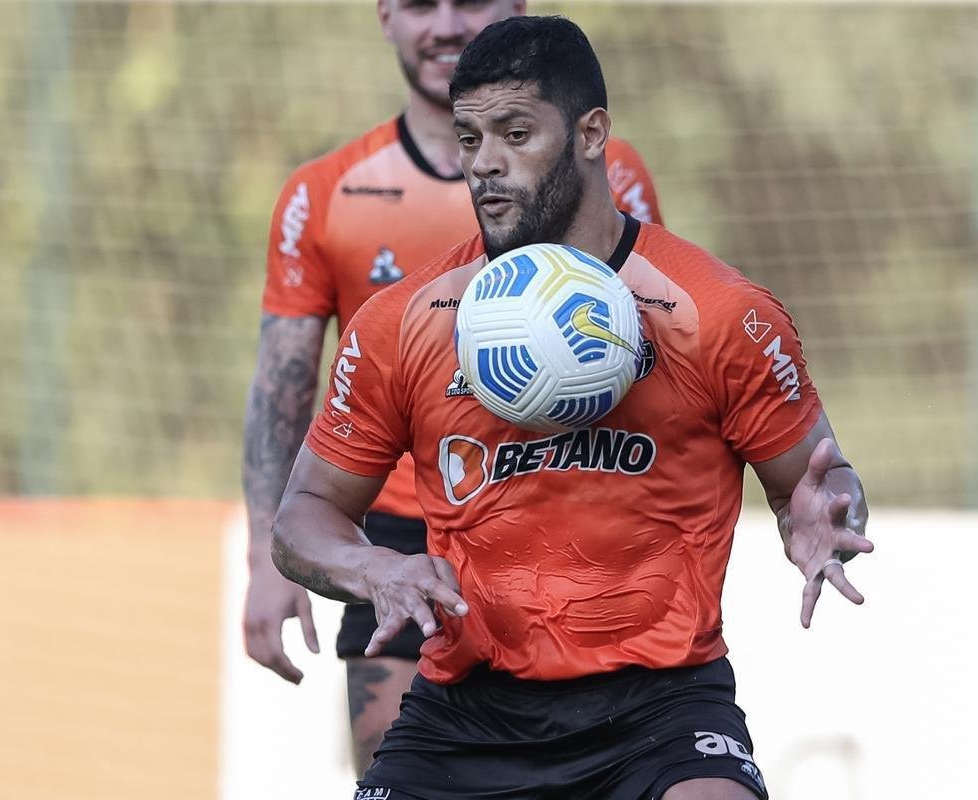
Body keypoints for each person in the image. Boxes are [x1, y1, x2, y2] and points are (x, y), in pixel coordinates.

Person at [273, 15, 872, 800]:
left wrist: (825, 509)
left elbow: (815, 482)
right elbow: (303, 515)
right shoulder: (404, 322)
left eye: (516, 134)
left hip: (660, 708)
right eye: (469, 138)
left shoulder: (720, 314)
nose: (485, 165)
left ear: (592, 133)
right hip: (465, 713)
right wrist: (373, 565)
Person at [241, 0, 663, 775]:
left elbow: (645, 344)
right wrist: (264, 559)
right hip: (399, 534)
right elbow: (283, 390)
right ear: (383, 16)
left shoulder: (608, 171)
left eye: (469, 2)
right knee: (394, 767)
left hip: (568, 512)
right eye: (419, 4)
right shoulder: (326, 193)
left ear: (518, 11)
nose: (444, 25)